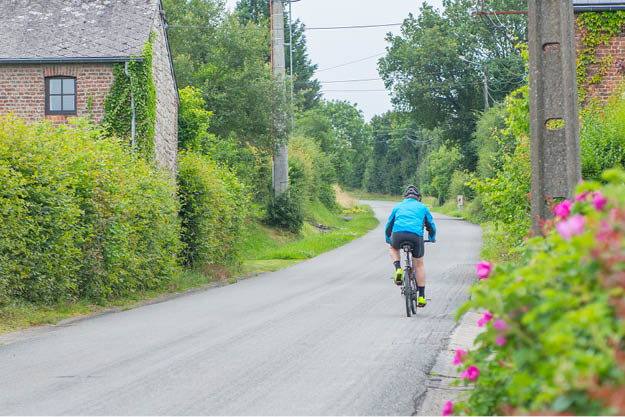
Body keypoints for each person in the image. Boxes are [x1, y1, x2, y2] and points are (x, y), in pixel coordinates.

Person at [384, 185, 436, 308]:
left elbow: (389, 225)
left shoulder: (398, 206)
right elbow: (431, 225)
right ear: (418, 198)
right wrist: (431, 238)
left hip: (398, 235)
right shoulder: (423, 207)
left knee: (393, 248)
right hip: (416, 236)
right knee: (419, 265)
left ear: (405, 197)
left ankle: (398, 269)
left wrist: (388, 239)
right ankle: (421, 297)